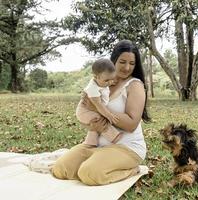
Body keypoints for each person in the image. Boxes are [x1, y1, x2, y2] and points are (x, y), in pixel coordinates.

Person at [51, 40, 150, 186]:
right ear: (113, 60)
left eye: (132, 63)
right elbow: (88, 113)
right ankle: (98, 160)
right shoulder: (101, 83)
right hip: (97, 146)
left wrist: (98, 107)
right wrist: (92, 122)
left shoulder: (135, 85)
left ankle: (132, 170)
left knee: (89, 173)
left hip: (127, 148)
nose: (127, 67)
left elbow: (131, 124)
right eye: (122, 62)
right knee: (60, 169)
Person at [76, 58, 121, 146]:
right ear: (96, 77)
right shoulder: (92, 88)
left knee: (96, 125)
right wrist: (109, 115)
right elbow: (98, 105)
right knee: (100, 120)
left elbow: (108, 82)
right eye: (107, 80)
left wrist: (110, 81)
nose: (110, 82)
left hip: (92, 109)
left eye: (112, 79)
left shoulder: (102, 82)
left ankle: (90, 143)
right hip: (84, 111)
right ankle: (114, 137)